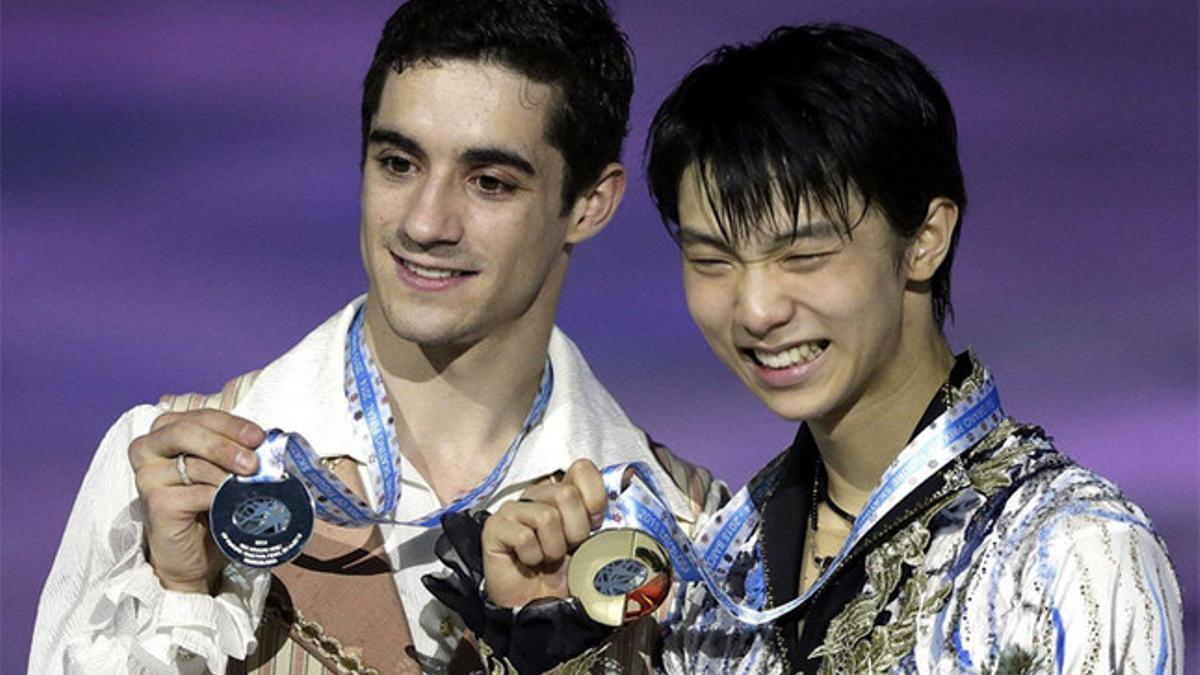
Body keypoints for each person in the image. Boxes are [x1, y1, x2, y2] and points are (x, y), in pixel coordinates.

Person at [461, 23, 1184, 673]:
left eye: (803, 254)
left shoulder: (1068, 554)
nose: (756, 308)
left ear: (925, 239)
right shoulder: (718, 570)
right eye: (712, 260)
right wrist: (550, 635)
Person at [28, 2, 722, 674]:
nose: (425, 222)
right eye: (399, 163)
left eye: (488, 181)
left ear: (590, 203)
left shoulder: (688, 533)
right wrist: (180, 593)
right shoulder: (162, 470)